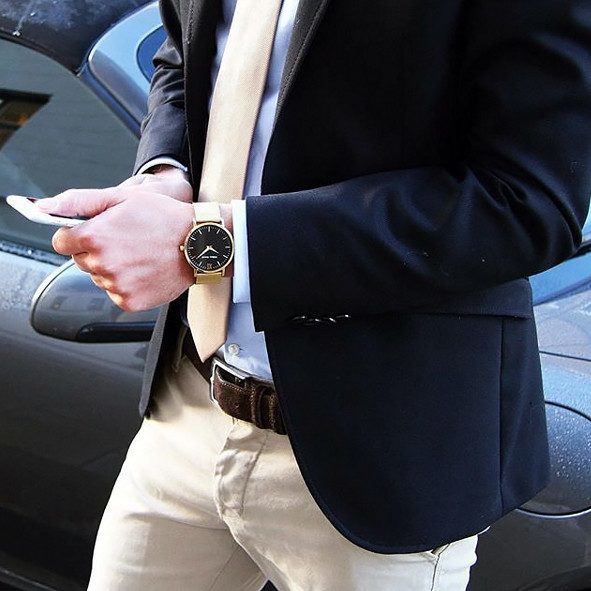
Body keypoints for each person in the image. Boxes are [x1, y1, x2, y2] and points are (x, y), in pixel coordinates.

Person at [38, 0, 591, 589]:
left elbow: (526, 202)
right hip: (190, 405)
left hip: (381, 446)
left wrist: (204, 245)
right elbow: (185, 57)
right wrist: (166, 172)